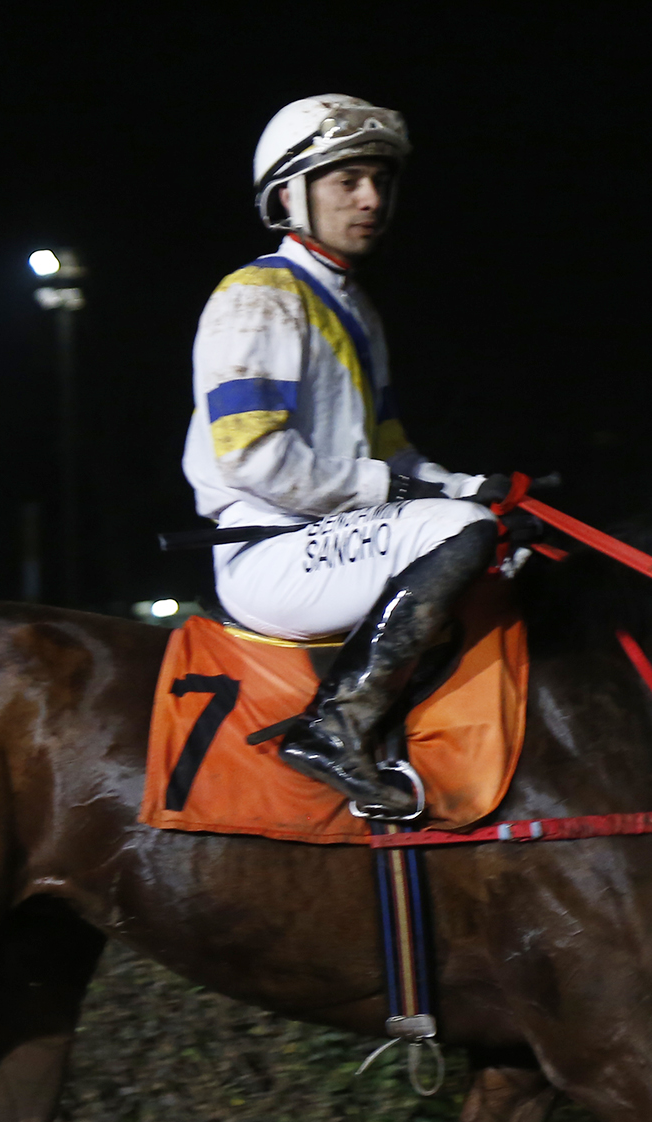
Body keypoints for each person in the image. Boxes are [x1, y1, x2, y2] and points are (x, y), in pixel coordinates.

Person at [183, 94, 511, 818]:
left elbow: (391, 452)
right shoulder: (258, 295)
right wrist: (409, 497)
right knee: (462, 533)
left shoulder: (356, 308)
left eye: (381, 182)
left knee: (496, 537)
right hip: (269, 551)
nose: (372, 199)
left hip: (334, 538)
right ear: (288, 196)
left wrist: (469, 485)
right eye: (348, 181)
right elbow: (252, 456)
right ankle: (336, 728)